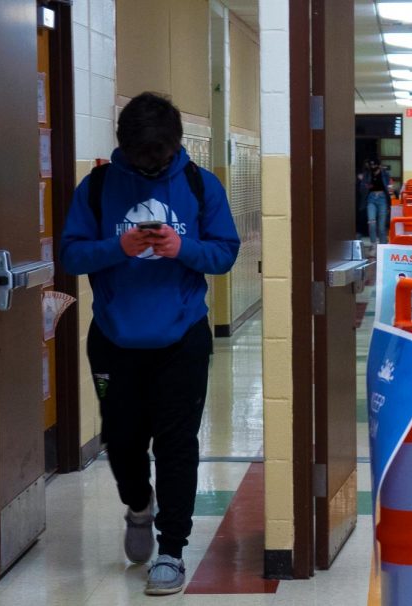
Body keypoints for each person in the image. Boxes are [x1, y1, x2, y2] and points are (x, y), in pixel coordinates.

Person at [60, 92, 240, 595]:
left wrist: (183, 248)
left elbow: (225, 253)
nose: (152, 166)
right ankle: (139, 507)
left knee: (177, 444)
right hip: (115, 339)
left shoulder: (199, 185)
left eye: (159, 158)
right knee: (122, 441)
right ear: (124, 148)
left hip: (182, 339)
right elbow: (71, 256)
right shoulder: (96, 188)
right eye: (142, 159)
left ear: (176, 147)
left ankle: (173, 550)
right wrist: (117, 247)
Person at [364, 157, 392, 248]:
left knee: (381, 226)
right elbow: (363, 186)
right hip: (371, 198)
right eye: (371, 165)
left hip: (382, 198)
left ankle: (383, 246)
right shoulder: (368, 174)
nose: (373, 167)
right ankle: (373, 245)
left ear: (379, 165)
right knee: (371, 222)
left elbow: (389, 187)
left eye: (374, 165)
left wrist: (390, 194)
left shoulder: (385, 174)